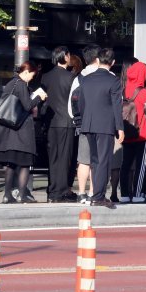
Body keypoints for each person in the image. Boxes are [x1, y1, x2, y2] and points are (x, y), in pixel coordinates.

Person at [0, 62, 47, 204]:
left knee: (10, 164)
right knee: (24, 164)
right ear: (27, 72)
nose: (32, 79)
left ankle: (7, 195)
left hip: (8, 132)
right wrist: (39, 97)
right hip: (20, 132)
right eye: (32, 75)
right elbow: (28, 105)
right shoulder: (21, 84)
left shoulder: (11, 83)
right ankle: (22, 194)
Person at [76, 48, 124, 208]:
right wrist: (120, 127)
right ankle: (99, 196)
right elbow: (117, 106)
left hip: (88, 124)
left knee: (95, 160)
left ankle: (96, 195)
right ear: (113, 62)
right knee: (104, 161)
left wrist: (85, 120)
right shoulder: (114, 81)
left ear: (98, 60)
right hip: (105, 125)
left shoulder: (86, 79)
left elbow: (80, 103)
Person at [42, 47, 78, 203]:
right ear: (65, 56)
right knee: (65, 157)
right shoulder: (71, 78)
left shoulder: (46, 77)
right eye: (69, 55)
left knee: (53, 157)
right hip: (66, 122)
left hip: (51, 122)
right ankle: (62, 191)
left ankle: (52, 189)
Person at [69, 45, 102, 204]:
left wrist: (77, 120)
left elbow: (71, 105)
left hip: (83, 125)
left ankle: (81, 193)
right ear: (98, 58)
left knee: (83, 160)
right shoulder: (105, 75)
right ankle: (93, 192)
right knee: (97, 160)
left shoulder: (78, 78)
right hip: (101, 125)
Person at [119, 62, 146, 203]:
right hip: (143, 134)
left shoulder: (123, 90)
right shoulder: (145, 92)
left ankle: (124, 194)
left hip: (128, 132)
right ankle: (137, 194)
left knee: (126, 164)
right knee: (141, 166)